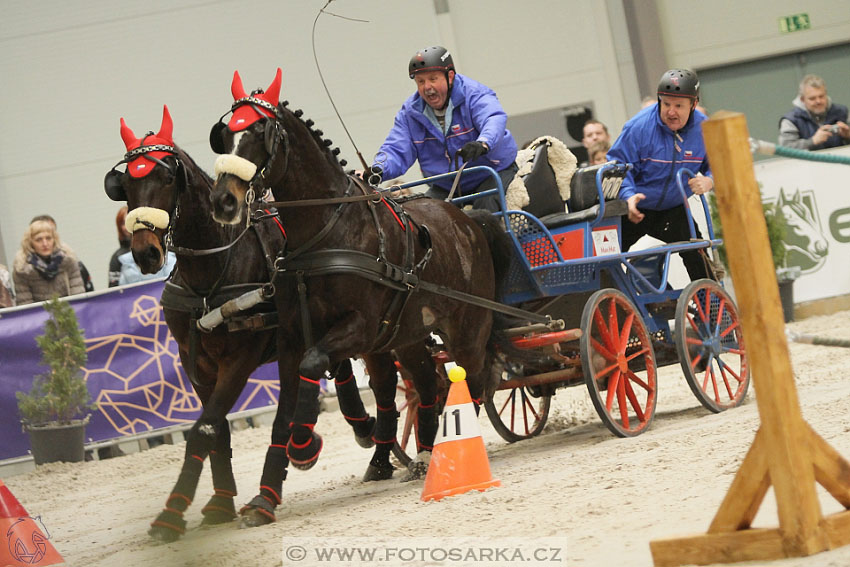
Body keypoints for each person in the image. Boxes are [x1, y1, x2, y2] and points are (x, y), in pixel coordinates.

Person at [368, 45, 518, 211]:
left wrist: (483, 143)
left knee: (484, 210)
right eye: (420, 82)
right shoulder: (410, 113)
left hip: (490, 173)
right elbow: (396, 148)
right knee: (425, 216)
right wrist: (377, 170)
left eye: (433, 79)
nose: (427, 87)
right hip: (447, 186)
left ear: (450, 76)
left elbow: (493, 118)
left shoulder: (474, 94)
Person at [607, 68, 715, 281]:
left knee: (699, 259)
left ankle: (713, 312)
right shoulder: (637, 128)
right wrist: (628, 197)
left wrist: (710, 180)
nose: (671, 112)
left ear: (693, 105)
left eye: (678, 106)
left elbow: (720, 164)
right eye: (666, 104)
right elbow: (617, 166)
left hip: (674, 209)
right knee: (605, 264)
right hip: (635, 208)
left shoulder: (705, 128)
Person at [13, 219, 85, 305]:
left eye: (48, 238)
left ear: (54, 239)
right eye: (39, 240)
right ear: (30, 243)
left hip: (69, 313)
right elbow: (25, 305)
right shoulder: (22, 269)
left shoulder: (68, 260)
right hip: (39, 316)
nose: (45, 243)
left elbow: (78, 296)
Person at [778, 74, 850, 150]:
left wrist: (848, 136)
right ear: (802, 100)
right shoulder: (791, 120)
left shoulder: (842, 112)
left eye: (821, 96)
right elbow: (786, 149)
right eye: (812, 98)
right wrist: (812, 141)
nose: (818, 101)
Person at [28, 214, 94, 292]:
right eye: (39, 238)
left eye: (49, 235)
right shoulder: (24, 268)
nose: (45, 243)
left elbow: (87, 293)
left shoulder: (70, 261)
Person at [108, 206, 131, 287]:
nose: (126, 227)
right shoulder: (117, 257)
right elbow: (113, 289)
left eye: (128, 221)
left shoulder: (150, 250)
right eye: (123, 223)